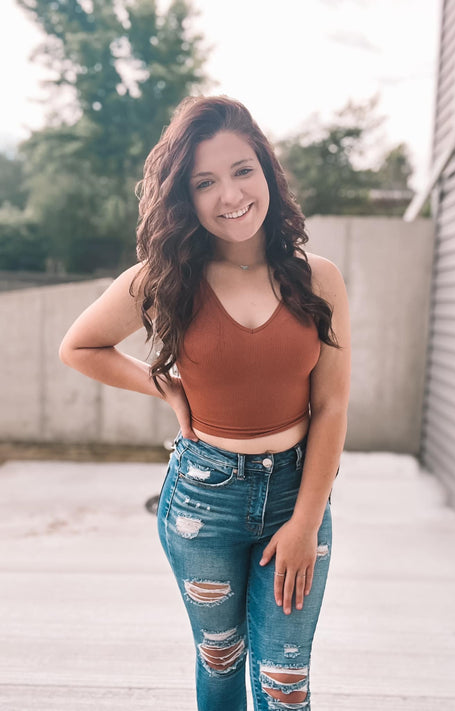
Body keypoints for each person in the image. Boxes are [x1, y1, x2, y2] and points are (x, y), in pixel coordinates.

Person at [59, 95, 351, 711]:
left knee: (284, 680)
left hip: (296, 495)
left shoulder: (317, 278)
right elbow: (81, 346)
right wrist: (162, 385)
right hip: (202, 501)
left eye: (243, 170)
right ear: (185, 198)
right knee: (221, 662)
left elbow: (330, 408)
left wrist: (304, 521)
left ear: (267, 171)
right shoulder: (166, 278)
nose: (230, 194)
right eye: (205, 182)